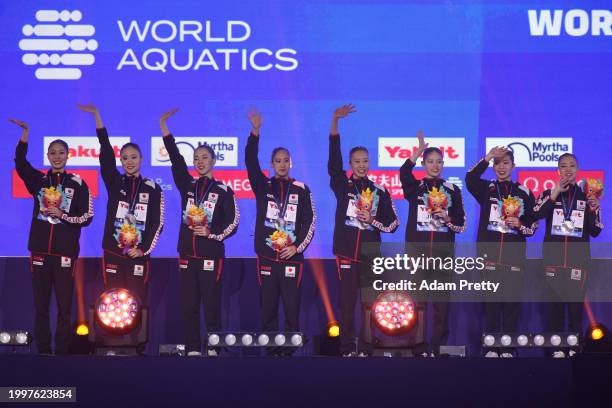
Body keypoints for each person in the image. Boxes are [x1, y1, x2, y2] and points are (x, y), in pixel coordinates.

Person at [159, 108, 239, 357]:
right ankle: (193, 348)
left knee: (211, 305)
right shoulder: (188, 185)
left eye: (204, 157)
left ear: (213, 161)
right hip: (186, 254)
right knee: (189, 306)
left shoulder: (224, 190)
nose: (200, 161)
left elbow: (233, 222)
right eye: (196, 158)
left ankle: (213, 347)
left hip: (210, 256)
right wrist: (164, 128)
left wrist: (211, 232)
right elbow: (175, 159)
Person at [11, 118, 94, 354]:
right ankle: (44, 350)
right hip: (39, 252)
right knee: (41, 307)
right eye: (53, 152)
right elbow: (20, 163)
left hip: (65, 255)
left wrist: (63, 214)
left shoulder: (78, 183)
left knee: (65, 307)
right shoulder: (39, 181)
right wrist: (25, 134)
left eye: (61, 153)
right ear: (48, 156)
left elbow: (87, 216)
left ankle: (62, 351)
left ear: (68, 156)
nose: (57, 156)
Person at [328, 104, 400, 357]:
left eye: (365, 161)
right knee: (347, 306)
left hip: (370, 256)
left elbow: (393, 224)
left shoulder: (380, 191)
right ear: (351, 163)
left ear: (370, 163)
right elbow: (333, 161)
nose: (361, 165)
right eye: (357, 161)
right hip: (346, 254)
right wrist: (335, 122)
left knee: (370, 305)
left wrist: (373, 221)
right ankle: (348, 349)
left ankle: (367, 348)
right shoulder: (342, 185)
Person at [245, 109, 316, 356]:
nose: (282, 164)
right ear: (272, 164)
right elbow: (250, 163)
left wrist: (297, 248)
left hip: (291, 258)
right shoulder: (263, 186)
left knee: (292, 307)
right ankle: (272, 351)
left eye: (286, 160)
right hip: (266, 257)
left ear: (291, 162)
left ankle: (290, 352)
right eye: (278, 161)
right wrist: (255, 132)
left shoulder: (302, 189)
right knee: (268, 308)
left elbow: (310, 220)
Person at [78, 104, 164, 306]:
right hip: (113, 252)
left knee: (136, 302)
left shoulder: (153, 188)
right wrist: (98, 118)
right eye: (125, 158)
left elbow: (157, 223)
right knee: (112, 301)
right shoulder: (115, 182)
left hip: (137, 254)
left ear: (142, 159)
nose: (129, 162)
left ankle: (137, 339)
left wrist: (142, 249)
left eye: (133, 157)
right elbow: (106, 155)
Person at [466, 147, 537, 358]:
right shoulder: (486, 188)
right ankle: (490, 348)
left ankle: (507, 348)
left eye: (506, 163)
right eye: (498, 163)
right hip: (489, 256)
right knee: (492, 303)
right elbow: (469, 178)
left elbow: (532, 227)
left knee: (511, 304)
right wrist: (487, 158)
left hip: (514, 257)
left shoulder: (524, 192)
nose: (501, 167)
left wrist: (519, 225)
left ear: (513, 166)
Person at [400, 131, 466, 357]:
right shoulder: (415, 189)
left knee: (441, 306)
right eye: (430, 161)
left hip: (442, 255)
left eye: (439, 161)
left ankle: (437, 349)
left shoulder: (453, 189)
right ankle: (417, 347)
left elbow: (461, 225)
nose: (435, 165)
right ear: (423, 164)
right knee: (417, 304)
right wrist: (417, 150)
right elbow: (403, 172)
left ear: (444, 164)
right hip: (417, 255)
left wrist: (449, 220)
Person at [533, 153, 603, 358]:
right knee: (554, 312)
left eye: (572, 165)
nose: (568, 170)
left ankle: (574, 350)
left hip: (578, 265)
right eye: (563, 166)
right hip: (552, 263)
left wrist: (593, 210)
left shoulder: (587, 196)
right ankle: (556, 350)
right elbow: (536, 214)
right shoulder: (548, 193)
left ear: (578, 169)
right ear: (558, 170)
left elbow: (596, 230)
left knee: (575, 312)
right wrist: (554, 193)